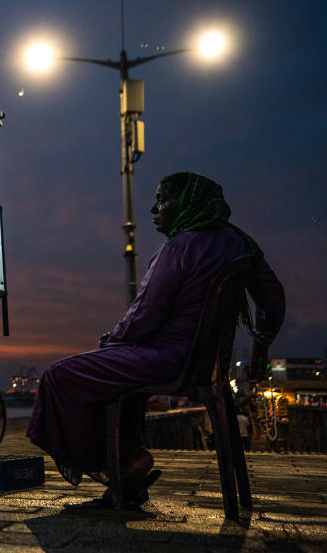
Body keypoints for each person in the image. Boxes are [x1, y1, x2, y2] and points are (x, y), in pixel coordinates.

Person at [26, 172, 285, 507]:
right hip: (207, 366)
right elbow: (273, 298)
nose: (154, 208)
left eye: (163, 199)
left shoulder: (179, 247)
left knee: (59, 375)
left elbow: (145, 315)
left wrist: (109, 343)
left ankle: (118, 467)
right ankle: (128, 467)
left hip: (170, 360)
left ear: (188, 203)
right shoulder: (242, 244)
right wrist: (261, 345)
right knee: (115, 375)